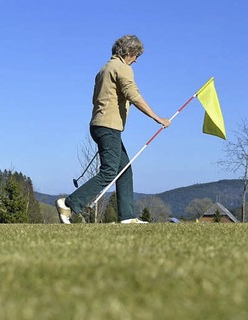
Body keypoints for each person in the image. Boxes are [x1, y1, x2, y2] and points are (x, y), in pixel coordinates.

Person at [56, 35, 170, 224]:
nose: (137, 60)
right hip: (108, 127)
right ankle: (68, 203)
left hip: (100, 125)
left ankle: (126, 217)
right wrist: (158, 118)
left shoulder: (104, 69)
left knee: (124, 169)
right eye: (137, 55)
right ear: (130, 52)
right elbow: (134, 96)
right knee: (109, 171)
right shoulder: (122, 68)